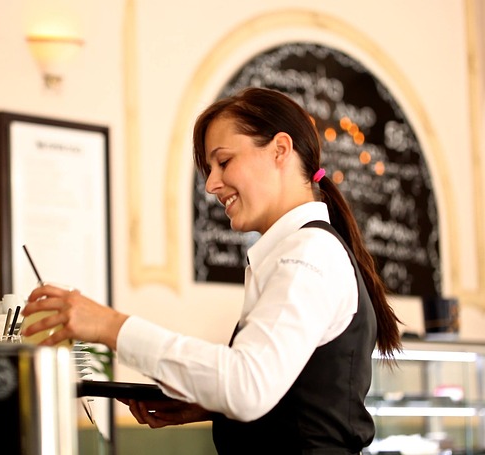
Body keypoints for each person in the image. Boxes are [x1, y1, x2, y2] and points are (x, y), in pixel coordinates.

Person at [21, 87, 402, 454]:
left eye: (223, 162)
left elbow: (247, 384)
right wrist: (214, 408)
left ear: (280, 150)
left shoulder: (310, 253)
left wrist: (109, 326)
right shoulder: (299, 251)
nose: (210, 184)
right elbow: (290, 393)